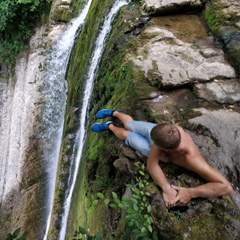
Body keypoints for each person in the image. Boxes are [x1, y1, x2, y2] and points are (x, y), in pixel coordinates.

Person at [91, 109, 233, 208]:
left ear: (163, 149)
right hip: (159, 135)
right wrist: (166, 188)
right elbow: (152, 165)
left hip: (161, 143)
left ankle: (109, 126)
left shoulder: (192, 159)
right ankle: (114, 113)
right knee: (130, 124)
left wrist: (190, 192)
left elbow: (226, 187)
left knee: (127, 136)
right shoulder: (170, 131)